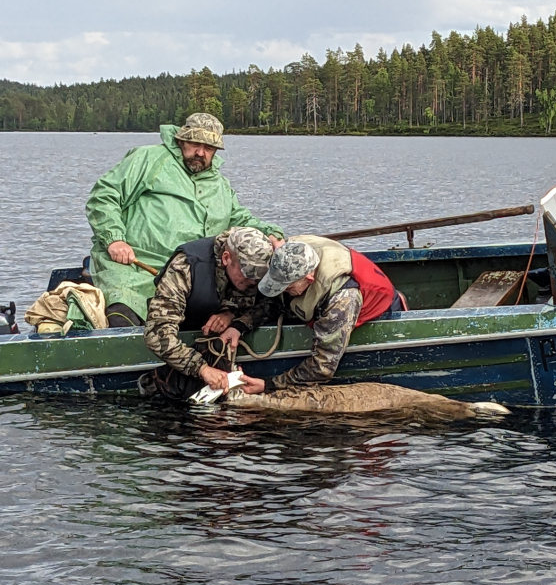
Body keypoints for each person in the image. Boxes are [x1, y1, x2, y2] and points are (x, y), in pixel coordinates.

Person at [86, 112, 283, 327]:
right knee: (123, 313)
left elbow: (239, 218)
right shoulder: (148, 159)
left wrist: (272, 233)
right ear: (181, 139)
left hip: (191, 274)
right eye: (194, 144)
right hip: (136, 266)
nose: (200, 152)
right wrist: (115, 239)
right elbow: (104, 196)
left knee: (247, 306)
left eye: (208, 148)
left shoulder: (220, 184)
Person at [245, 235, 404, 394]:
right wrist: (239, 325)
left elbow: (323, 367)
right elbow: (273, 300)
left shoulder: (341, 300)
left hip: (377, 310)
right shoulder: (292, 252)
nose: (282, 291)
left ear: (308, 278)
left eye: (287, 287)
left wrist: (270, 385)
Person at [142, 227, 279, 399]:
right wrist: (202, 369)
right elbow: (156, 333)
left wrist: (236, 321)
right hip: (186, 336)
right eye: (247, 274)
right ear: (226, 258)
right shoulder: (185, 267)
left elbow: (272, 303)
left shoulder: (258, 267)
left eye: (259, 277)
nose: (253, 281)